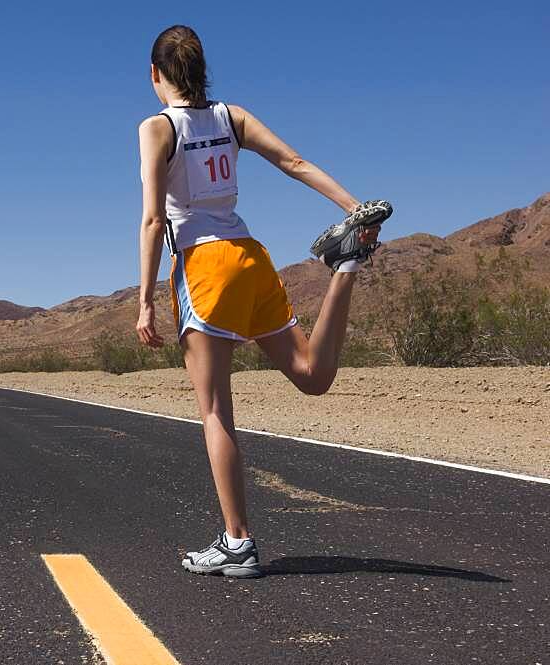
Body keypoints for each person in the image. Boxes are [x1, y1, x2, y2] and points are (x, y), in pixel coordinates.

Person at [136, 25, 390, 578]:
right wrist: (355, 210)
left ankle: (237, 542)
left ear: (155, 74)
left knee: (214, 411)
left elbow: (155, 219)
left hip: (204, 268)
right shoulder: (233, 117)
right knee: (311, 374)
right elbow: (294, 161)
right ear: (201, 71)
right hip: (251, 257)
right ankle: (345, 265)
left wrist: (146, 301)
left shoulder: (156, 128)